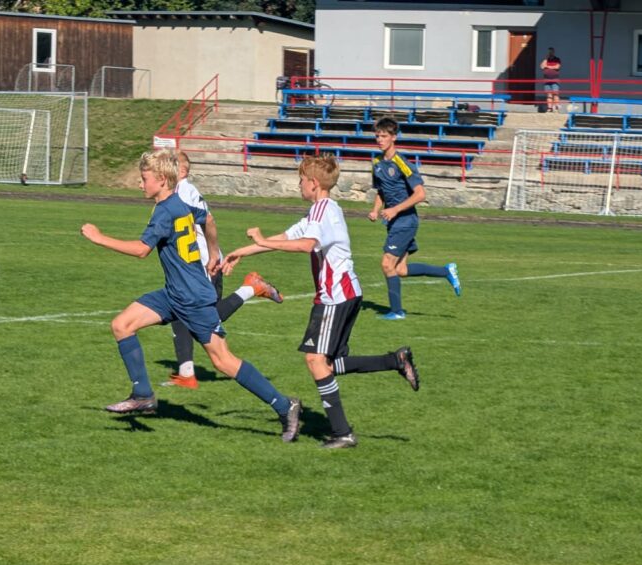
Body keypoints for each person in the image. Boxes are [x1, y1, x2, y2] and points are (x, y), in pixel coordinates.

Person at [80, 149, 301, 442]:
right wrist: (213, 253)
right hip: (174, 293)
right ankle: (143, 395)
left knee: (223, 361)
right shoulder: (180, 204)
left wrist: (99, 238)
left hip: (193, 299)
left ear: (161, 179)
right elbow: (208, 218)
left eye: (144, 178)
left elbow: (142, 250)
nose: (140, 183)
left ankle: (285, 406)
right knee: (122, 325)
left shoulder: (165, 211)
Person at [223, 153, 420, 450]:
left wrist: (261, 240)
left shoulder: (322, 210)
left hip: (335, 297)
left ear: (313, 183)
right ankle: (396, 360)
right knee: (330, 363)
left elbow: (306, 245)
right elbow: (287, 236)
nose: (299, 185)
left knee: (315, 361)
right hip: (345, 294)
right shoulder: (323, 210)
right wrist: (242, 251)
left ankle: (343, 432)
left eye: (301, 180)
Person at [165, 150, 284, 390]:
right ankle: (186, 373)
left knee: (200, 317)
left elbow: (207, 222)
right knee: (184, 313)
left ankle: (250, 288)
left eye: (170, 165)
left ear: (182, 171)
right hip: (198, 262)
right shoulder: (182, 191)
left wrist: (211, 256)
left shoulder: (184, 192)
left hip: (201, 264)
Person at [369, 117, 460, 320]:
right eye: (377, 136)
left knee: (387, 264)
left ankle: (397, 312)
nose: (380, 140)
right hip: (394, 223)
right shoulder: (376, 163)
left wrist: (394, 210)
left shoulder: (402, 163)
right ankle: (446, 271)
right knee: (400, 269)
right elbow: (381, 191)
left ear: (394, 137)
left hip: (406, 221)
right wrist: (375, 210)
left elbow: (420, 194)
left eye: (384, 136)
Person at [541, 47, 562, 113]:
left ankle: (556, 108)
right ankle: (549, 108)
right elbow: (542, 66)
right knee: (549, 95)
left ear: (553, 52)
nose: (550, 53)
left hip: (555, 79)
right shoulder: (545, 60)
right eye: (549, 52)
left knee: (555, 94)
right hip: (547, 80)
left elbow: (557, 67)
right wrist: (546, 58)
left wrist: (547, 66)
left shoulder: (557, 59)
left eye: (551, 51)